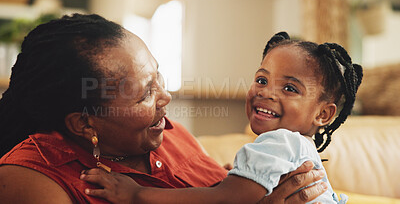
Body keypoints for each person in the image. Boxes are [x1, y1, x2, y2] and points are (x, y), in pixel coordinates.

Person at [0, 15, 326, 203]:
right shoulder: (29, 179)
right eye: (145, 93)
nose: (165, 97)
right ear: (84, 123)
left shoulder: (167, 135)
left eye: (158, 77)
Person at [80, 32, 363, 203]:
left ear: (323, 114)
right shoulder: (294, 146)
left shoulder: (281, 142)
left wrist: (137, 195)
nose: (266, 93)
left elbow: (224, 200)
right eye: (262, 80)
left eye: (290, 88)